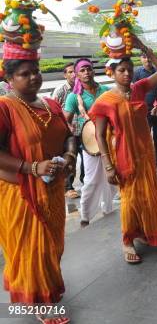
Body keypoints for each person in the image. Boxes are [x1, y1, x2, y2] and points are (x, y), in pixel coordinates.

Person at [0, 51, 76, 324]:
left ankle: (43, 285)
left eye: (35, 71)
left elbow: (68, 135)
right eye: (24, 73)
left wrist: (69, 156)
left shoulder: (50, 104)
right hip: (21, 192)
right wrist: (32, 168)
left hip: (52, 189)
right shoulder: (5, 107)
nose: (33, 77)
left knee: (51, 246)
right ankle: (38, 302)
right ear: (9, 78)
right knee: (32, 248)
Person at [90, 36, 157, 264]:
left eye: (129, 70)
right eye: (122, 71)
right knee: (129, 198)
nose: (127, 74)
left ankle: (143, 232)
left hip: (144, 153)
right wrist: (108, 165)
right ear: (112, 73)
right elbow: (99, 134)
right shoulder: (105, 100)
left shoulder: (139, 88)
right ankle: (127, 239)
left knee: (148, 195)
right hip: (124, 154)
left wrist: (144, 47)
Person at [63, 58, 115, 227]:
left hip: (109, 141)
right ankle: (85, 216)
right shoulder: (73, 97)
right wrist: (74, 132)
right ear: (77, 74)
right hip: (90, 145)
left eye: (88, 69)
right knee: (92, 181)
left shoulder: (106, 91)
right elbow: (65, 122)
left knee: (111, 178)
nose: (86, 73)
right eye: (82, 70)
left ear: (93, 71)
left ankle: (108, 209)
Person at [133, 51, 157, 173]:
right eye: (144, 57)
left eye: (148, 57)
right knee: (144, 140)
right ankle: (146, 166)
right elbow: (134, 92)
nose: (147, 60)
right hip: (144, 113)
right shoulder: (137, 73)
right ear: (140, 59)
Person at [52, 62, 81, 198]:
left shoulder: (83, 88)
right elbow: (53, 111)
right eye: (70, 72)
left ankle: (85, 183)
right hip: (69, 133)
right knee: (70, 159)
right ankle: (68, 187)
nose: (73, 74)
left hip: (84, 130)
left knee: (88, 159)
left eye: (74, 71)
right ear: (65, 75)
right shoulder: (60, 90)